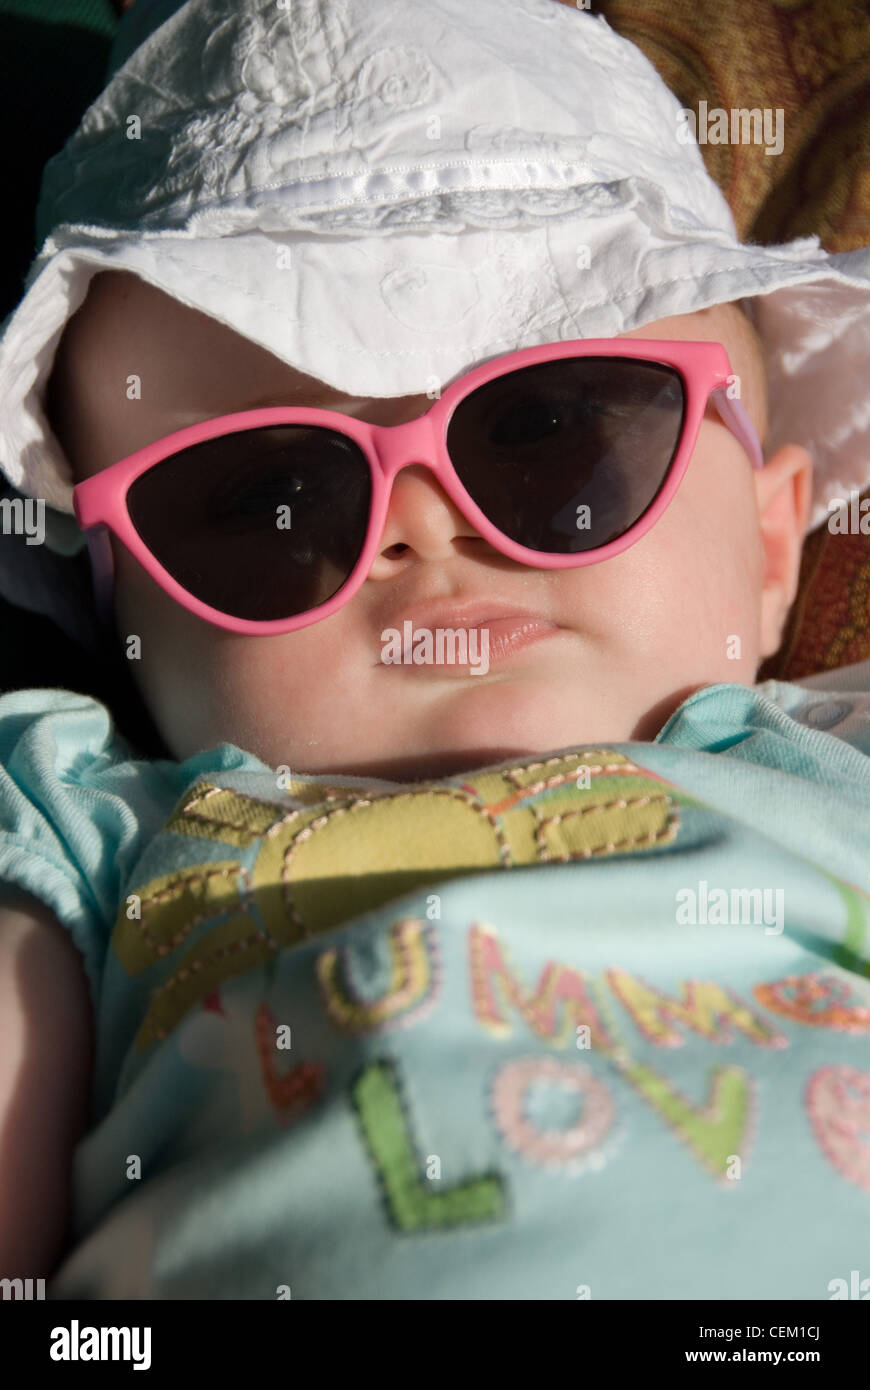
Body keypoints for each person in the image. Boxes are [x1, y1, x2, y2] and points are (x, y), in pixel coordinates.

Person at [0, 0, 869, 1299]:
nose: (421, 523)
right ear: (129, 627)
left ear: (765, 542)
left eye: (556, 437)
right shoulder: (78, 832)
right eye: (262, 501)